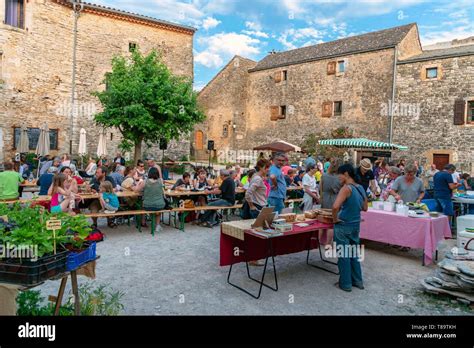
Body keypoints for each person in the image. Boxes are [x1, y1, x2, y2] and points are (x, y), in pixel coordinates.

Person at [332, 163, 368, 292]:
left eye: (340, 175)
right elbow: (365, 208)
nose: (338, 178)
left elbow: (335, 206)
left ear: (346, 174)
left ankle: (345, 284)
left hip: (343, 225)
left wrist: (335, 219)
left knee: (343, 255)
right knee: (353, 254)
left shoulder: (346, 188)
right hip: (355, 225)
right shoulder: (360, 188)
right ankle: (358, 281)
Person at [142, 167, 167, 233]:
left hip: (147, 205)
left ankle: (144, 221)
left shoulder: (145, 181)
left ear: (149, 173)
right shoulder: (160, 180)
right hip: (160, 205)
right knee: (158, 206)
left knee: (149, 205)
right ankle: (157, 225)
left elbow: (136, 189)